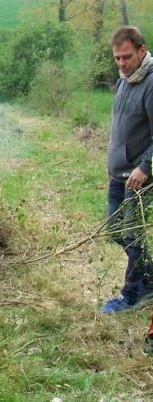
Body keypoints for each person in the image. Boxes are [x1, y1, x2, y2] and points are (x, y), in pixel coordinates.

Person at [100, 25, 153, 314]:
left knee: (132, 234)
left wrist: (145, 166)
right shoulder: (123, 80)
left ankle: (132, 295)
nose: (121, 63)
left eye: (127, 57)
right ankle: (150, 277)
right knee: (115, 230)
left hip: (139, 179)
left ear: (142, 50)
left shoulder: (151, 83)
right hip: (117, 174)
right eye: (117, 58)